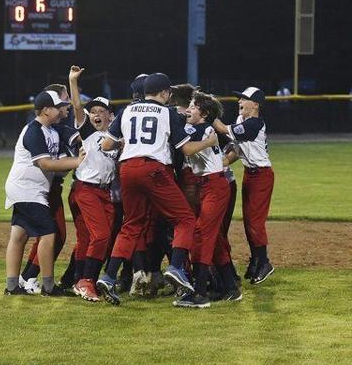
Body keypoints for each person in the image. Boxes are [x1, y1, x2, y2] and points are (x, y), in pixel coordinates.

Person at [97, 73, 218, 305]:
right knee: (185, 220)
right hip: (153, 169)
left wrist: (130, 144)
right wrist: (208, 142)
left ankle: (109, 276)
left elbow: (106, 144)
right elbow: (187, 150)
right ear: (164, 93)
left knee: (131, 225)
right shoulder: (167, 112)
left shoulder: (126, 110)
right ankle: (176, 267)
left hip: (127, 170)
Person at [4, 90, 86, 296]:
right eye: (56, 106)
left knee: (19, 235)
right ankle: (48, 287)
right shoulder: (33, 130)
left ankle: (12, 286)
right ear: (46, 110)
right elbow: (45, 163)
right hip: (27, 189)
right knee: (49, 232)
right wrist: (77, 161)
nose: (60, 109)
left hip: (29, 188)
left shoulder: (49, 129)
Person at [174, 91, 238, 308]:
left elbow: (185, 146)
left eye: (193, 106)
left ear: (205, 113)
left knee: (201, 234)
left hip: (214, 186)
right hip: (209, 185)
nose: (188, 109)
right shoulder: (202, 129)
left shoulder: (197, 128)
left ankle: (199, 292)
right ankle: (231, 287)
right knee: (216, 238)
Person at [211, 86, 274, 285]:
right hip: (250, 174)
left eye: (244, 99)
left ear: (255, 105)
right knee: (249, 221)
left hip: (262, 176)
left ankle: (264, 263)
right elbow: (237, 151)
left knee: (255, 222)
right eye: (239, 99)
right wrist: (222, 162)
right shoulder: (241, 120)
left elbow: (222, 129)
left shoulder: (255, 123)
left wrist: (210, 114)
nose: (239, 102)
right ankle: (256, 260)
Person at [66, 66, 118, 304]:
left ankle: (80, 280)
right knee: (102, 234)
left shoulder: (117, 139)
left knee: (91, 238)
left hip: (103, 193)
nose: (95, 114)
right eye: (93, 111)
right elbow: (77, 107)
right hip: (85, 189)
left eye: (101, 111)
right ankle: (87, 280)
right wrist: (72, 81)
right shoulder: (88, 132)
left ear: (110, 116)